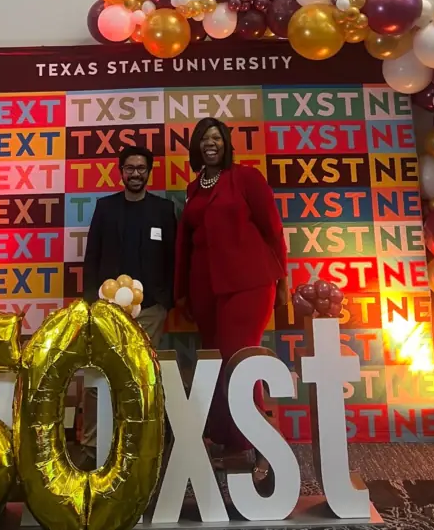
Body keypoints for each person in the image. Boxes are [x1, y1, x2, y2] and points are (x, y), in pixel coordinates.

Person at [174, 117, 288, 484]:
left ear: (225, 144)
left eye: (217, 138)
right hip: (205, 288)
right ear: (196, 146)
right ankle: (228, 444)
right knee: (214, 365)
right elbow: (188, 245)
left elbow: (272, 229)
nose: (211, 144)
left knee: (239, 361)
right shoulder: (194, 188)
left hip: (248, 283)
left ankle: (261, 449)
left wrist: (283, 279)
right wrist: (184, 292)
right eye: (205, 139)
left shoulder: (247, 178)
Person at [80, 144, 177, 466]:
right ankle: (93, 445)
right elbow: (92, 256)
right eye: (130, 168)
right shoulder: (105, 208)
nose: (136, 173)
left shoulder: (163, 210)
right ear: (120, 172)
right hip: (107, 310)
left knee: (142, 376)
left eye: (141, 168)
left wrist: (165, 301)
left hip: (150, 310)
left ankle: (144, 444)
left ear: (149, 172)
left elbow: (173, 259)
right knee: (99, 375)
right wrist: (92, 301)